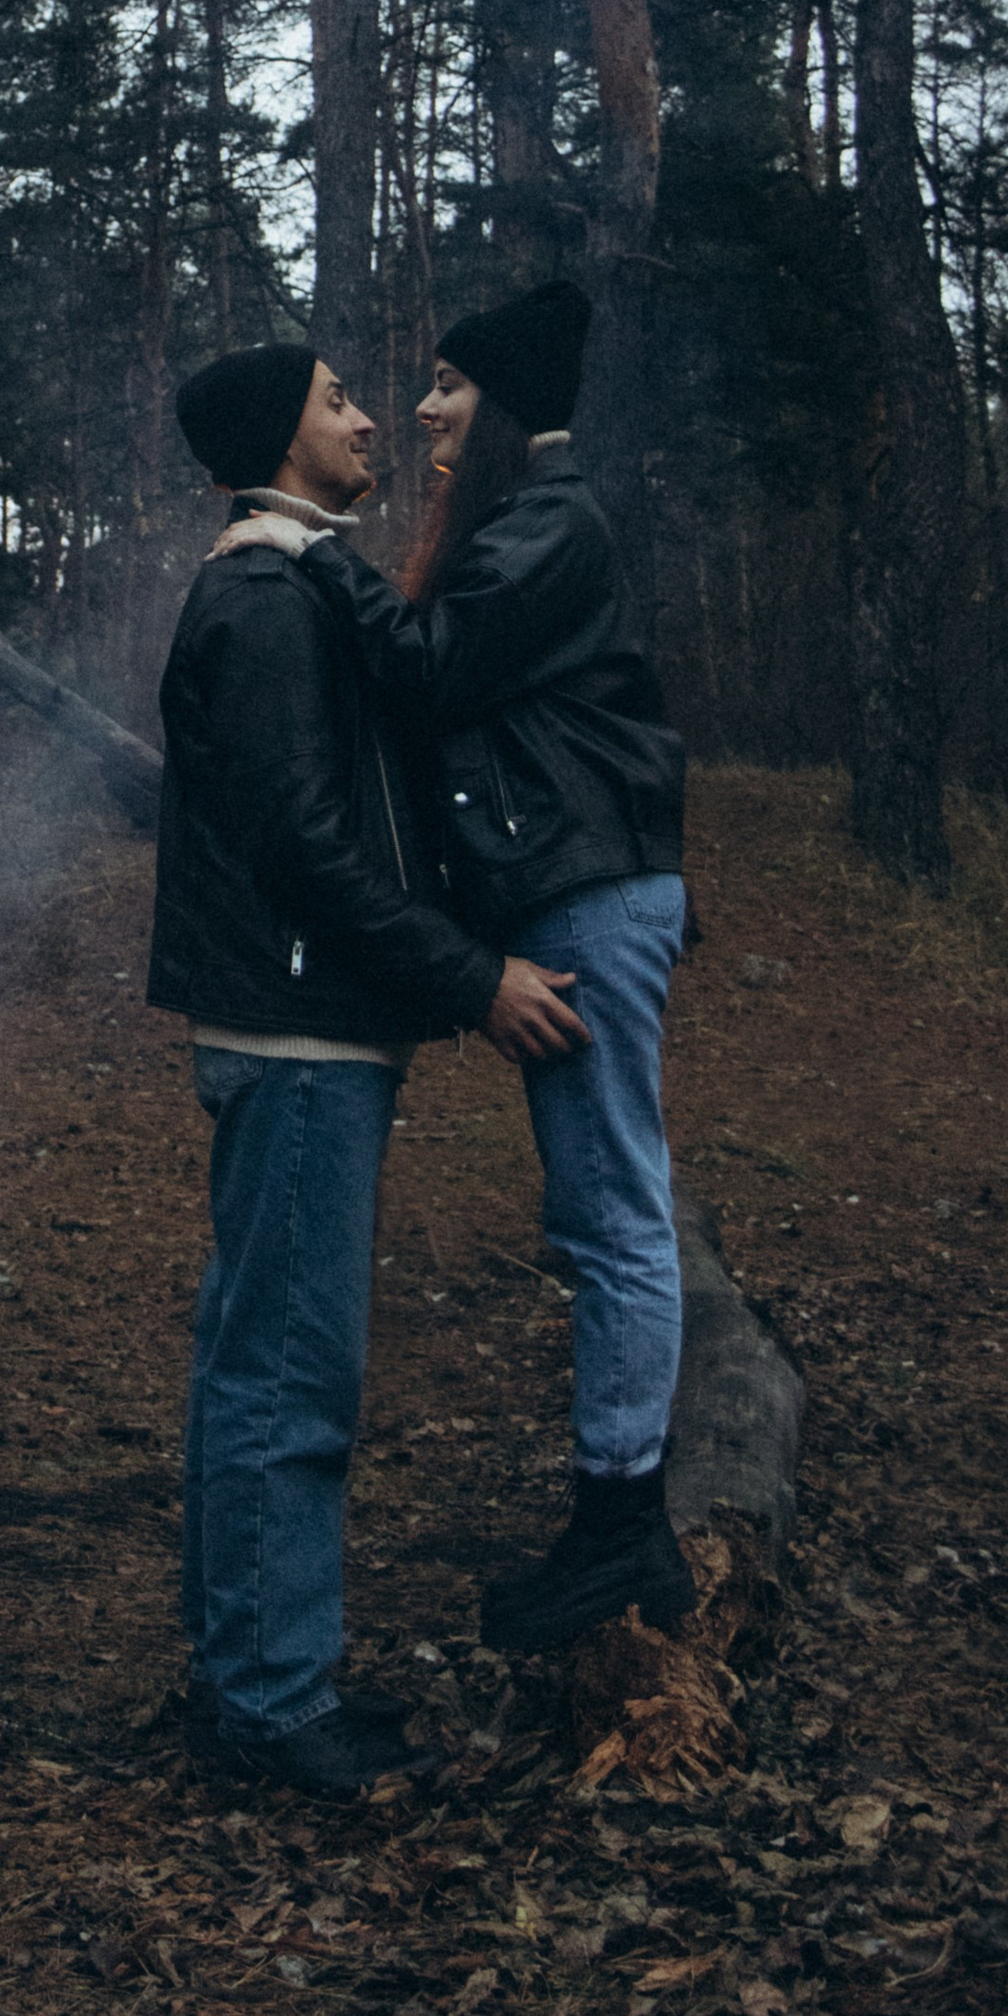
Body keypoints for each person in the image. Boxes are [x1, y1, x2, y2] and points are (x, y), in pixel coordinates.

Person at [213, 281, 695, 1659]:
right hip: (564, 890)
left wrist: (304, 547)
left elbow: (426, 667)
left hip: (593, 895)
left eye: (449, 388)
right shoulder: (520, 519)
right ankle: (617, 1513)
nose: (422, 407)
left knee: (612, 1210)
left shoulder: (556, 518)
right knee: (600, 1206)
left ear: (507, 409)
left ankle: (625, 1530)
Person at [150, 339, 586, 1800]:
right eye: (337, 399)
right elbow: (306, 848)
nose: (366, 417)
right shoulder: (267, 594)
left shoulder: (288, 578)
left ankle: (244, 1680)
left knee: (250, 1368)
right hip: (301, 1038)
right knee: (289, 1376)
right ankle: (274, 1709)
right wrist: (475, 982)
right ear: (285, 437)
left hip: (303, 1032)